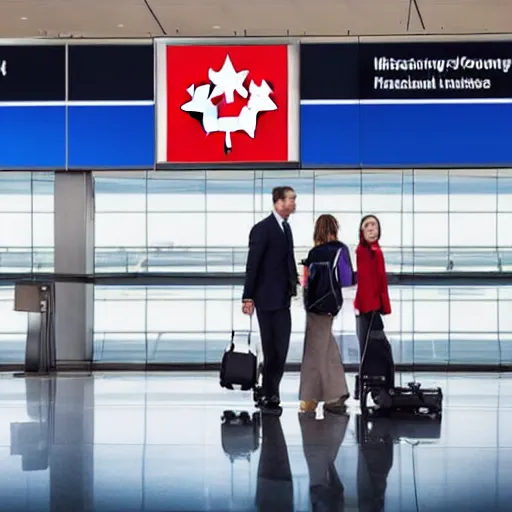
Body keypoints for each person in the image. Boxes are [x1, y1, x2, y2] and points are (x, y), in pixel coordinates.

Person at [242, 186, 298, 415]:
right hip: (265, 299)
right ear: (278, 202)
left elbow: (288, 260)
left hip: (283, 299)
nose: (294, 203)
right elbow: (252, 265)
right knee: (271, 348)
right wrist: (248, 297)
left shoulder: (286, 228)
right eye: (291, 199)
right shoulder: (262, 229)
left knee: (281, 348)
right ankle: (270, 392)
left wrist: (295, 284)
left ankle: (268, 388)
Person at [299, 214, 355, 414]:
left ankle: (312, 398)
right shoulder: (340, 249)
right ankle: (332, 395)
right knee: (323, 347)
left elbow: (305, 283)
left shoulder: (313, 253)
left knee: (315, 348)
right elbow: (347, 279)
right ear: (334, 228)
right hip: (330, 304)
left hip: (313, 305)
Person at [354, 214, 395, 393]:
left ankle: (378, 388)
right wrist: (373, 308)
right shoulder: (364, 251)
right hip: (368, 309)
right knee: (376, 349)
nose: (371, 228)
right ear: (362, 231)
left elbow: (380, 282)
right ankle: (377, 388)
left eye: (374, 225)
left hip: (372, 308)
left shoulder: (376, 250)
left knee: (374, 349)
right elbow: (366, 282)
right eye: (367, 226)